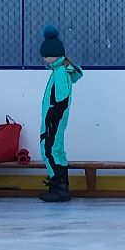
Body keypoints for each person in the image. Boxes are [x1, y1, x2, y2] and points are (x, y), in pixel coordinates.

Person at [37, 25, 84, 203]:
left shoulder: (60, 73)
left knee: (49, 151)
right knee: (56, 150)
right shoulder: (60, 70)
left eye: (46, 55)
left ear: (53, 55)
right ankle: (60, 185)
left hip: (53, 120)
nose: (44, 59)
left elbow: (61, 100)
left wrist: (51, 118)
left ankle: (59, 188)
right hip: (54, 119)